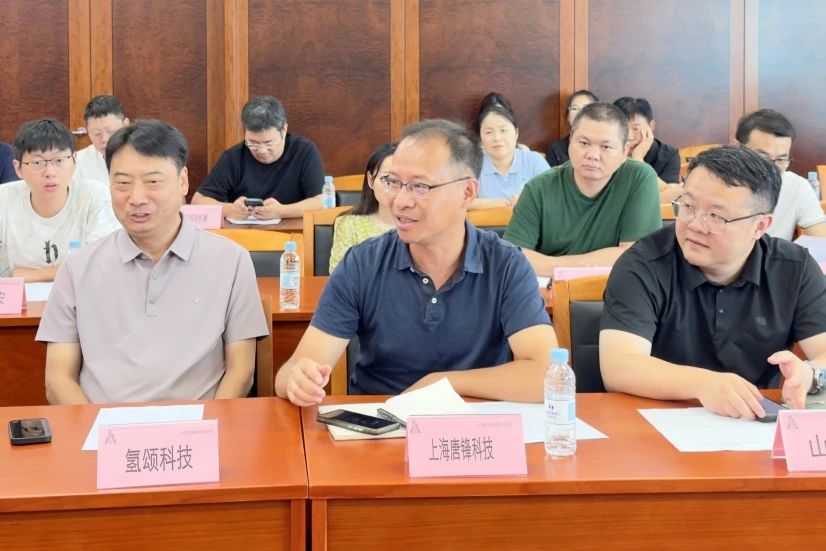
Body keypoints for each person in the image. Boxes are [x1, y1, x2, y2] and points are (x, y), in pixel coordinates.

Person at [276, 119, 555, 405]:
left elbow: (546, 376)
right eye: (393, 182)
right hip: (381, 422)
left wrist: (442, 384)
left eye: (419, 186)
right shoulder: (363, 263)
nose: (399, 201)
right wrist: (298, 380)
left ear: (467, 192)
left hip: (474, 425)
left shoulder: (506, 265)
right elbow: (290, 373)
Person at [37, 120, 269, 404]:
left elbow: (241, 372)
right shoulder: (77, 268)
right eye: (122, 183)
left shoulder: (231, 261)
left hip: (198, 424)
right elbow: (58, 379)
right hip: (103, 425)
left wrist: (207, 424)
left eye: (153, 182)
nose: (136, 198)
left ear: (183, 181)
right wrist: (97, 427)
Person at [600, 145, 826, 419]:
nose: (695, 225)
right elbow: (619, 367)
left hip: (754, 424)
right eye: (688, 206)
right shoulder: (643, 264)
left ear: (760, 226)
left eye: (716, 216)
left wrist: (811, 372)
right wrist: (703, 384)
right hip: (656, 422)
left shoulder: (794, 268)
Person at [504, 103, 661, 277]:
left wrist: (554, 266)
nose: (592, 155)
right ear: (571, 139)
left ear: (625, 151)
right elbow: (512, 257)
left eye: (606, 147)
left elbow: (634, 256)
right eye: (584, 143)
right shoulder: (538, 188)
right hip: (552, 290)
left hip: (616, 288)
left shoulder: (639, 178)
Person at [0, 119, 120, 282]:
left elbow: (105, 263)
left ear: (75, 160)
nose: (50, 172)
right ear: (18, 168)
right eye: (38, 162)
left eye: (59, 160)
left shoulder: (94, 196)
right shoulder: (4, 198)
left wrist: (36, 275)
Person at [193, 95, 324, 220]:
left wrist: (282, 211)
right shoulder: (234, 158)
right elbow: (198, 201)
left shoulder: (304, 152)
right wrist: (229, 209)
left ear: (284, 130)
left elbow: (322, 201)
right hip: (244, 232)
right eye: (253, 143)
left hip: (293, 232)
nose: (261, 151)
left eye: (268, 143)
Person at [736, 108, 826, 240]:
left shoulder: (796, 186)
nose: (771, 168)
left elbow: (821, 241)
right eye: (763, 157)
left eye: (781, 159)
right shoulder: (714, 182)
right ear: (738, 150)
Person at [471, 92, 550, 209]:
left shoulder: (534, 161)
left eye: (503, 130)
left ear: (516, 133)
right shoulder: (473, 165)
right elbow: (459, 202)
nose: (497, 138)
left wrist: (528, 200)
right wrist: (497, 204)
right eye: (489, 132)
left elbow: (555, 197)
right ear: (480, 137)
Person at [328, 142, 396, 272]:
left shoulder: (423, 226)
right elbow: (340, 278)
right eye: (387, 179)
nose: (394, 186)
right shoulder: (349, 225)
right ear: (371, 180)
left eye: (402, 180)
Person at [613, 97, 681, 203]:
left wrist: (638, 159)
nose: (629, 137)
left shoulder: (669, 155)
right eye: (623, 128)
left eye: (636, 129)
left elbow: (672, 197)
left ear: (651, 126)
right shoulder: (607, 151)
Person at [74, 95, 130, 185]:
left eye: (111, 131)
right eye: (97, 134)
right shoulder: (79, 161)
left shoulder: (145, 155)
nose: (104, 139)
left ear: (126, 125)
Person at [547, 90, 599, 166]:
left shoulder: (605, 146)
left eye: (585, 109)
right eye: (574, 108)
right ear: (568, 117)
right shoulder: (556, 149)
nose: (579, 113)